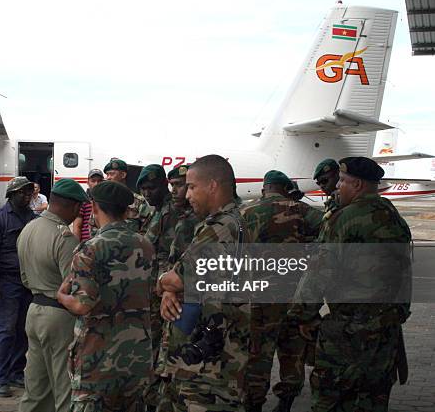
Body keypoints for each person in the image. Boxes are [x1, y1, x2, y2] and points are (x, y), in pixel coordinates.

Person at [288, 156, 412, 412]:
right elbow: (404, 271)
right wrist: (398, 313)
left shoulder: (344, 219)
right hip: (386, 333)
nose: (337, 187)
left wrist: (302, 315)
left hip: (347, 333)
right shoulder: (393, 216)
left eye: (342, 181)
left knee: (330, 399)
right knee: (373, 400)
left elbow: (318, 271)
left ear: (357, 185)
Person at [158, 155, 251, 412]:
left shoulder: (220, 227)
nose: (187, 195)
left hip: (207, 362)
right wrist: (170, 290)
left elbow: (176, 278)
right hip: (206, 350)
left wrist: (165, 285)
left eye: (191, 187)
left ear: (212, 185)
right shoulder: (233, 221)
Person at [57, 180, 155, 412]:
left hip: (97, 360)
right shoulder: (145, 244)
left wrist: (60, 296)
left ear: (96, 207)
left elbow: (81, 305)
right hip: (136, 357)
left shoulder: (89, 249)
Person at [240, 170, 322, 412]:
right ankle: (285, 402)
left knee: (257, 353)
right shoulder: (303, 210)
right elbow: (329, 236)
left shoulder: (244, 212)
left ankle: (253, 403)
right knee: (292, 351)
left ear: (265, 188)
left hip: (257, 297)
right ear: (286, 188)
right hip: (294, 297)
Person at [17, 179, 88, 412]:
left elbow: (25, 279)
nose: (80, 212)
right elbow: (74, 288)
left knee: (36, 390)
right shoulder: (65, 238)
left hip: (34, 310)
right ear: (72, 206)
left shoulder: (28, 229)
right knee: (65, 389)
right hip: (59, 317)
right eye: (79, 208)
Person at [0, 177, 38, 397]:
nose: (26, 197)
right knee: (5, 331)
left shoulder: (32, 218)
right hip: (6, 282)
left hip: (28, 282)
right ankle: (1, 377)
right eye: (22, 193)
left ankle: (16, 372)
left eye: (29, 193)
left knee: (23, 330)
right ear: (11, 195)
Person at [137, 164, 178, 411]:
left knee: (161, 343)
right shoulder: (157, 210)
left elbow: (171, 255)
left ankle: (160, 395)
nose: (147, 194)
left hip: (164, 292)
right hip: (154, 290)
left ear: (164, 185)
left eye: (151, 188)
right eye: (143, 189)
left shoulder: (172, 211)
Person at [103, 158, 151, 233]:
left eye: (112, 174)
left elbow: (147, 228)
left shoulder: (138, 201)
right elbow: (93, 227)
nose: (108, 178)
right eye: (107, 174)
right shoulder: (102, 200)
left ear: (123, 175)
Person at [73, 169, 104, 241]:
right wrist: (77, 246)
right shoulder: (83, 200)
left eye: (99, 181)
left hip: (102, 242)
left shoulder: (106, 200)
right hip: (86, 244)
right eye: (93, 181)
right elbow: (77, 226)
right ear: (88, 182)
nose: (96, 184)